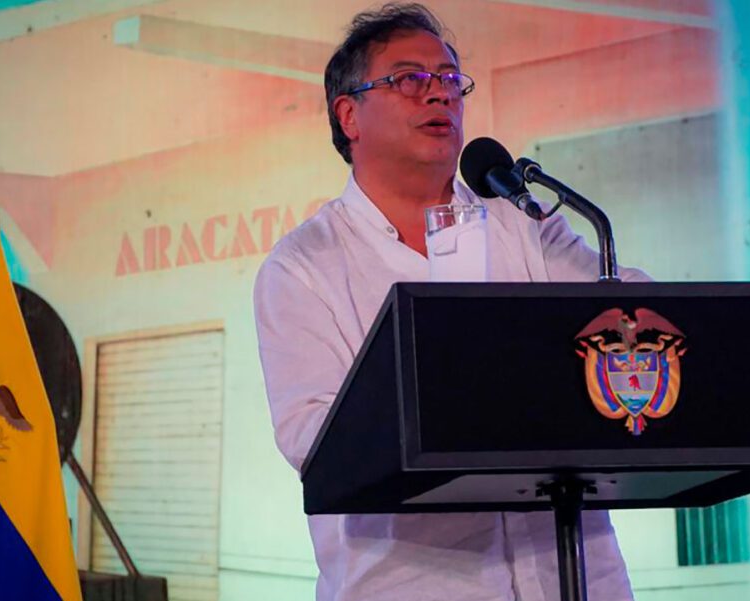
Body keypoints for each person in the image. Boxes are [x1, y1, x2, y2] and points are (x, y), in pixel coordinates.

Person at [253, 4, 647, 600]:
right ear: (349, 115)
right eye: (409, 79)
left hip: (577, 578)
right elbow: (313, 438)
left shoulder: (522, 223)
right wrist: (447, 401)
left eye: (449, 79)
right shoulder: (303, 266)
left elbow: (627, 313)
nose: (439, 93)